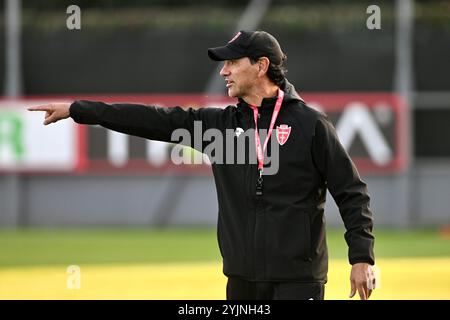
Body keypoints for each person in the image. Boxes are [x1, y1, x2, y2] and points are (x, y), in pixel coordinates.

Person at [28, 30, 376, 300]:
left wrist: (361, 257)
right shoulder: (216, 125)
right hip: (240, 279)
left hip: (299, 281)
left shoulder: (311, 125)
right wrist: (79, 109)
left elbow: (351, 192)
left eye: (231, 63)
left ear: (261, 66)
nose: (223, 71)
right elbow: (153, 119)